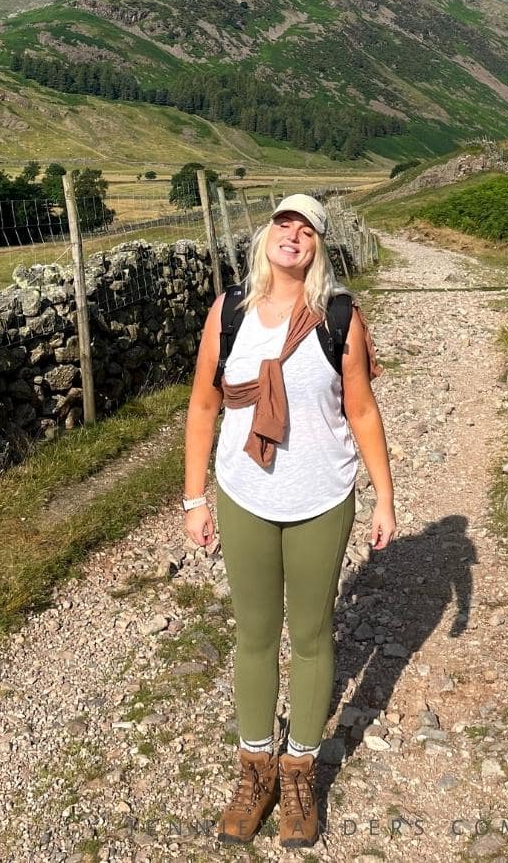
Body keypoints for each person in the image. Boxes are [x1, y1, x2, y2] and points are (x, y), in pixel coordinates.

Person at [182, 193, 396, 848]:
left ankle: (299, 772)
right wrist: (195, 499)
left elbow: (361, 411)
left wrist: (384, 496)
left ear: (318, 247)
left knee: (310, 635)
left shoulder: (339, 319)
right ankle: (255, 772)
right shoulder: (228, 315)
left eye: (308, 228)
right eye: (284, 222)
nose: (294, 234)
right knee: (253, 635)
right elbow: (201, 407)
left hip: (321, 499)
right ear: (266, 236)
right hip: (245, 496)